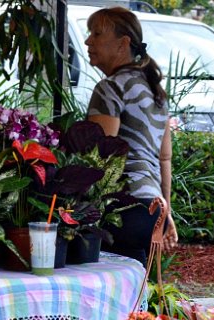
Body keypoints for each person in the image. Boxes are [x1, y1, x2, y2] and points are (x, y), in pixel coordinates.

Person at [85, 7, 177, 266]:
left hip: (122, 207)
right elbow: (164, 158)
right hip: (152, 208)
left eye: (97, 34)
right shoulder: (156, 91)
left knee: (110, 281)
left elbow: (102, 156)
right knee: (134, 282)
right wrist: (166, 214)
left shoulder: (111, 88)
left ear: (122, 44)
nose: (88, 41)